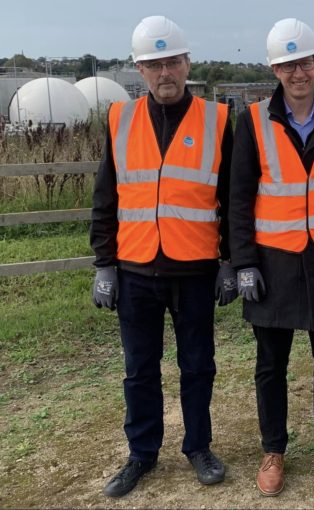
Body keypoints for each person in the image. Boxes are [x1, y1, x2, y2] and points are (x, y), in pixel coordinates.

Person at [90, 15, 235, 498]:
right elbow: (106, 197)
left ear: (187, 63)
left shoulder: (217, 120)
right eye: (154, 64)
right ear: (140, 68)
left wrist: (232, 260)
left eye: (172, 61)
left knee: (198, 366)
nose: (164, 72)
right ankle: (141, 453)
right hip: (135, 272)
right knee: (139, 369)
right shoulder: (120, 118)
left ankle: (198, 447)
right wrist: (104, 264)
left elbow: (232, 200)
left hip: (194, 270)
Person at [228, 18, 314, 497]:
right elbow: (239, 198)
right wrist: (243, 263)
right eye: (287, 64)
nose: (298, 72)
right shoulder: (253, 120)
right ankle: (274, 449)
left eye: (304, 61)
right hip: (272, 263)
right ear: (275, 69)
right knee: (271, 364)